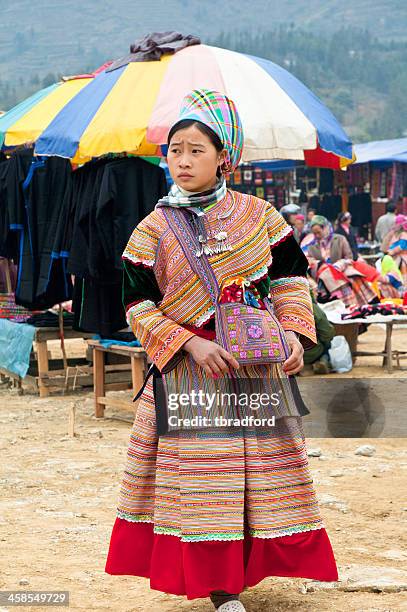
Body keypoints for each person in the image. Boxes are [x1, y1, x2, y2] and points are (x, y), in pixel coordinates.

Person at [105, 90, 338, 611]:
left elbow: (291, 280)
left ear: (223, 158)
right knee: (208, 483)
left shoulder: (261, 218)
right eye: (175, 151)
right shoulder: (152, 231)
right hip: (192, 378)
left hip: (256, 374)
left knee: (263, 476)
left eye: (196, 150)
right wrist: (188, 343)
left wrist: (296, 336)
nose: (183, 161)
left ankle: (252, 568)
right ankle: (219, 588)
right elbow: (136, 305)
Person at [300, 215, 378, 307]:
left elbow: (349, 258)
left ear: (325, 228)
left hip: (342, 272)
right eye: (314, 233)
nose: (317, 235)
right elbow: (308, 260)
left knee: (351, 280)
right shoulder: (311, 246)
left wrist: (339, 265)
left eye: (318, 232)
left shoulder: (339, 239)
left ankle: (353, 305)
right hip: (324, 278)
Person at [381, 214, 407, 289]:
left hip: (402, 260)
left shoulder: (404, 234)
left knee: (403, 278)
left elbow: (402, 246)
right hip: (394, 258)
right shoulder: (395, 233)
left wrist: (391, 252)